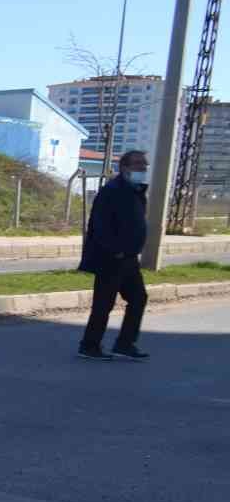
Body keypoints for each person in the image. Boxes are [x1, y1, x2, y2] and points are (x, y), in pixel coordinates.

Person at [78, 150, 150, 361]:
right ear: (124, 168)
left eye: (144, 166)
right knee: (104, 303)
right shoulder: (112, 190)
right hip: (111, 258)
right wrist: (115, 250)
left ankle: (125, 344)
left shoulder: (135, 191)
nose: (142, 169)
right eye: (138, 165)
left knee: (138, 298)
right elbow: (100, 225)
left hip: (128, 257)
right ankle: (89, 345)